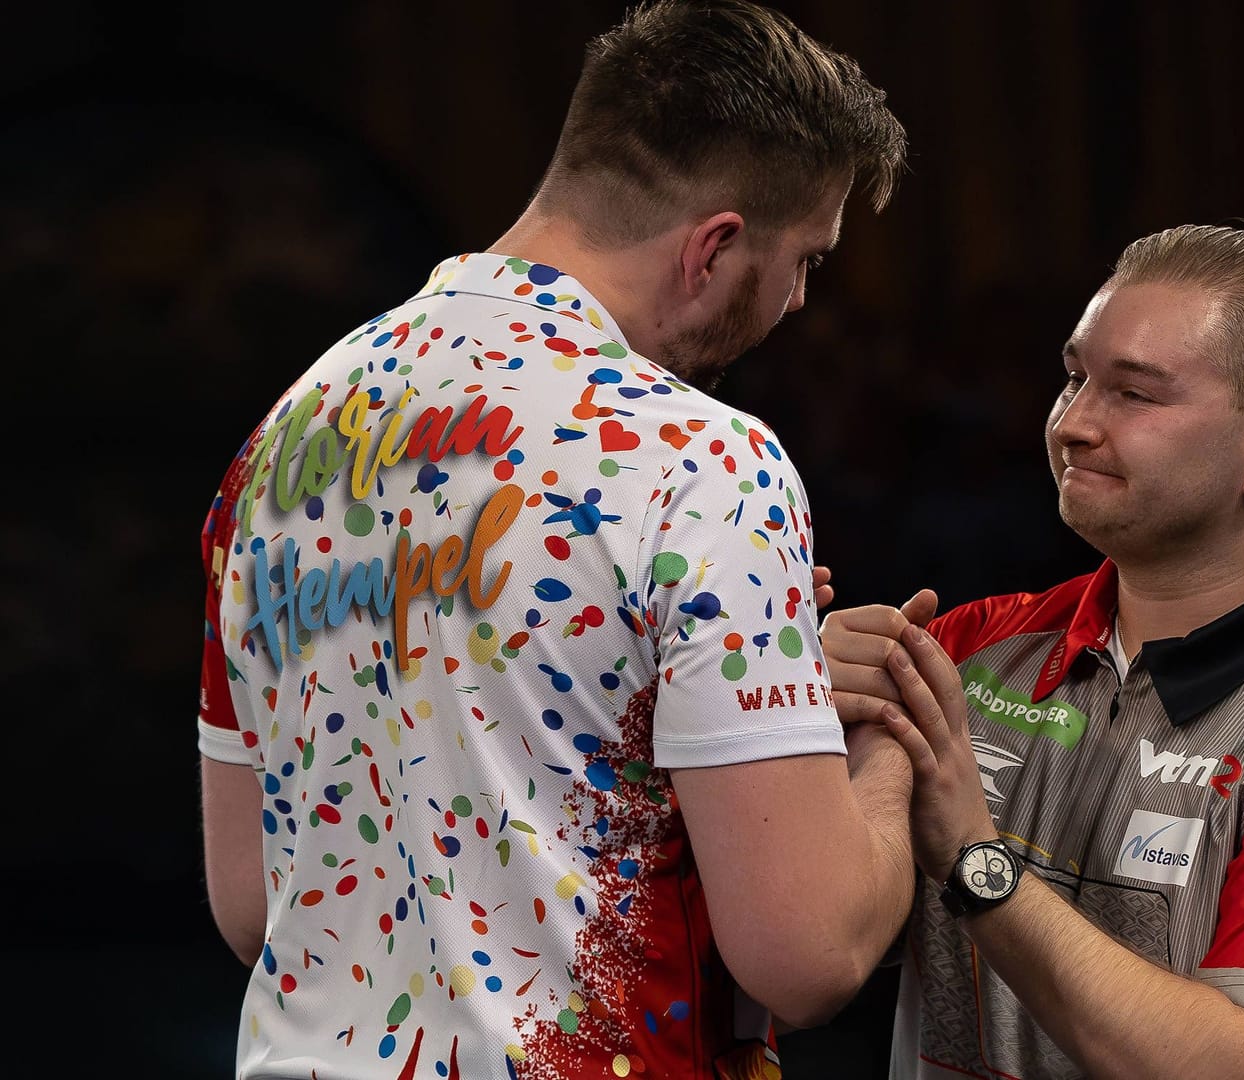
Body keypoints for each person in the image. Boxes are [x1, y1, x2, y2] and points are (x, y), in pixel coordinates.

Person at [193, 3, 918, 1077]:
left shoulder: (276, 442)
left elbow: (257, 904)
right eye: (804, 259)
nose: (802, 299)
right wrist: (890, 747)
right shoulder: (702, 462)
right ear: (715, 247)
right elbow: (805, 955)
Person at [821, 224, 1244, 1079]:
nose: (1073, 426)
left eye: (1134, 394)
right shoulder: (966, 649)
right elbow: (814, 954)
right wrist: (777, 701)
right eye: (1074, 378)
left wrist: (974, 859)